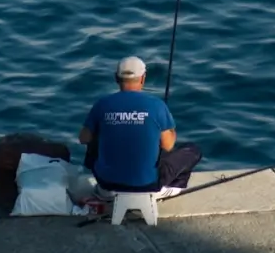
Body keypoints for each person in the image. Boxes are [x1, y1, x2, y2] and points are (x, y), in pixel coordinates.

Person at [78, 56, 202, 198]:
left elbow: (83, 138)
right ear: (143, 78)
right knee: (192, 150)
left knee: (93, 140)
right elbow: (168, 145)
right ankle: (170, 189)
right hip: (147, 186)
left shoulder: (101, 104)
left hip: (107, 186)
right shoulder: (157, 105)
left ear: (116, 78)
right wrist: (170, 130)